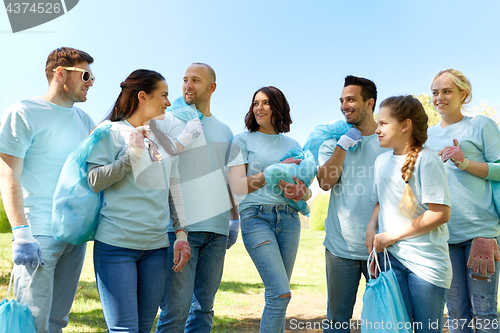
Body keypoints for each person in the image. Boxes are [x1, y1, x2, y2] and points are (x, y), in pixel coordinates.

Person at [85, 69, 191, 333]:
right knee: (125, 329)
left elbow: (173, 189)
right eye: (164, 95)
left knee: (144, 328)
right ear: (143, 96)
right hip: (116, 246)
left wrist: (181, 234)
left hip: (156, 249)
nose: (169, 102)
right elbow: (94, 180)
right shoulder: (108, 132)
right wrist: (130, 157)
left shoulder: (165, 141)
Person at [0, 47, 95, 333]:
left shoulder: (85, 121)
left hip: (74, 235)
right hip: (38, 235)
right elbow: (8, 173)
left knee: (57, 321)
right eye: (86, 75)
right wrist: (21, 233)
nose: (91, 82)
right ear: (60, 73)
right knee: (32, 321)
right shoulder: (24, 112)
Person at [155, 63, 240, 333]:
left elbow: (227, 178)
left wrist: (234, 219)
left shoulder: (225, 131)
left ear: (212, 87)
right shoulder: (168, 120)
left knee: (204, 308)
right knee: (175, 310)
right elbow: (157, 165)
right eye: (185, 80)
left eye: (196, 80)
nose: (188, 86)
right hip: (182, 229)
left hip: (216, 231)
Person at [227, 86, 312, 333]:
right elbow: (238, 185)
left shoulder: (293, 143)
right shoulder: (241, 140)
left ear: (278, 107)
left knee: (279, 296)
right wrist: (274, 171)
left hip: (288, 219)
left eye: (266, 103)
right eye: (256, 103)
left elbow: (305, 189)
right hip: (256, 217)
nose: (259, 108)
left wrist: (301, 192)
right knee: (280, 293)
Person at [365, 95, 452, 332]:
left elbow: (440, 214)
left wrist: (391, 236)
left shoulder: (428, 160)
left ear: (405, 125)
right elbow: (381, 201)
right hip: (392, 259)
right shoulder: (381, 162)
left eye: (383, 123)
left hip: (426, 264)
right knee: (396, 328)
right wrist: (371, 231)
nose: (377, 129)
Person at [425, 69, 500, 333]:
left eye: (447, 91)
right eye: (435, 92)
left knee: (485, 313)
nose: (439, 98)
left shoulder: (480, 125)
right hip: (443, 235)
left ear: (463, 94)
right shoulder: (426, 135)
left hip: (481, 234)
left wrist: (464, 161)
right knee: (456, 315)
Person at [316, 76, 387, 332]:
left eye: (351, 99)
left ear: (370, 103)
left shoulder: (388, 142)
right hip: (339, 248)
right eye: (342, 100)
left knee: (382, 319)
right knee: (336, 321)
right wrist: (342, 145)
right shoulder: (332, 144)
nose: (344, 105)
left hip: (380, 248)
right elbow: (325, 183)